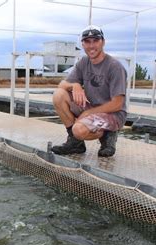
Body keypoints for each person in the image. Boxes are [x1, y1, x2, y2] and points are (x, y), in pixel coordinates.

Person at [51, 25, 127, 157]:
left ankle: (108, 134)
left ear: (103, 42)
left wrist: (88, 113)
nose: (91, 46)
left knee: (79, 130)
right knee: (59, 95)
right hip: (91, 106)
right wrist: (75, 86)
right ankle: (75, 143)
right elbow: (62, 85)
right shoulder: (83, 62)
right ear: (82, 44)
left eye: (95, 41)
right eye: (87, 41)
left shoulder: (115, 67)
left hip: (112, 114)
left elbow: (117, 104)